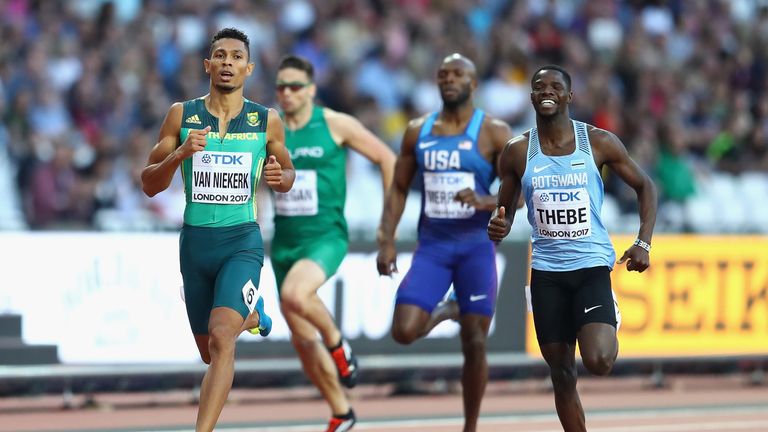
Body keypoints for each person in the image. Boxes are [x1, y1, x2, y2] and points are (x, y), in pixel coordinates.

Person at [141, 28, 295, 432]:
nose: (228, 62)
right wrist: (179, 153)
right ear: (207, 65)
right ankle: (254, 312)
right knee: (210, 351)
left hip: (241, 240)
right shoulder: (182, 114)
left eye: (236, 56)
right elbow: (149, 182)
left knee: (223, 336)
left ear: (249, 67)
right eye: (220, 56)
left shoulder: (267, 120)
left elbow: (288, 171)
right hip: (195, 244)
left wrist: (281, 177)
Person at [488, 65, 657, 432]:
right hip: (547, 271)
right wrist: (497, 225)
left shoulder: (598, 142)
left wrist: (643, 241)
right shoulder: (517, 151)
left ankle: (609, 310)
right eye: (538, 86)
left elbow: (646, 187)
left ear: (568, 96)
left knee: (598, 361)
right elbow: (506, 209)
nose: (546, 91)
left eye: (555, 86)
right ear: (531, 97)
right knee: (562, 373)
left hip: (591, 265)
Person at [376, 53, 513, 432]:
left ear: (474, 83)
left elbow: (518, 187)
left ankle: (470, 425)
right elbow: (400, 187)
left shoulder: (494, 132)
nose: (448, 79)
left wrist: (487, 201)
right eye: (442, 74)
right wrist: (385, 238)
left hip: (475, 246)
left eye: (458, 74)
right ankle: (448, 309)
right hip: (433, 246)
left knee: (474, 343)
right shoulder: (418, 131)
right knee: (404, 330)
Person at [271, 54, 396, 432]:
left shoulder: (334, 123)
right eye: (281, 87)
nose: (287, 93)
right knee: (302, 340)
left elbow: (387, 158)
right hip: (283, 241)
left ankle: (339, 343)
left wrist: (387, 226)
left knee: (295, 296)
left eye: (295, 86)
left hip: (325, 236)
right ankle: (342, 412)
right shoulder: (269, 129)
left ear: (310, 90)